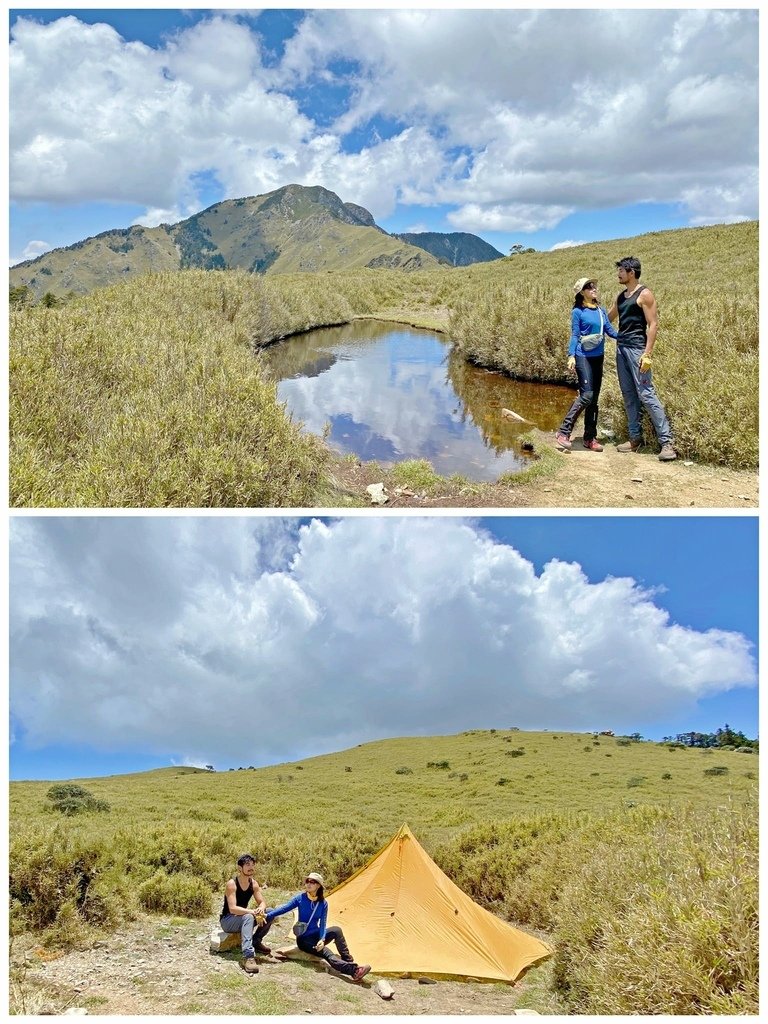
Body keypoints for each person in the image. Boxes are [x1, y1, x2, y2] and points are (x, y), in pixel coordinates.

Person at [607, 256, 677, 461]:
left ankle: (667, 443)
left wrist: (647, 353)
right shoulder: (620, 297)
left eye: (621, 270)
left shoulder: (644, 294)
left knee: (646, 394)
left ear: (632, 272)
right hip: (621, 350)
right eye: (618, 270)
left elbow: (653, 324)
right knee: (629, 395)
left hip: (638, 350)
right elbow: (608, 318)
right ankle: (634, 439)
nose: (618, 273)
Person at [266, 872, 371, 982]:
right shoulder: (300, 898)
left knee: (336, 930)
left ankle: (348, 961)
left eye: (312, 882)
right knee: (326, 953)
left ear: (318, 886)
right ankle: (354, 972)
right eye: (307, 881)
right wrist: (267, 915)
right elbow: (284, 909)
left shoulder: (323, 903)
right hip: (304, 939)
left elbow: (323, 924)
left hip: (316, 935)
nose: (308, 884)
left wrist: (322, 939)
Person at [555, 277, 618, 452]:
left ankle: (589, 438)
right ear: (582, 292)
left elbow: (609, 331)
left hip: (598, 357)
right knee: (587, 395)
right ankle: (563, 432)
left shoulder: (601, 311)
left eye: (594, 286)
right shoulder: (577, 312)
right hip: (583, 356)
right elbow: (575, 335)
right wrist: (571, 356)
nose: (594, 289)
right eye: (589, 287)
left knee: (594, 400)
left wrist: (625, 337)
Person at [220, 853, 273, 974]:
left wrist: (260, 909)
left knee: (270, 912)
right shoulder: (232, 884)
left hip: (243, 918)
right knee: (248, 916)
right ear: (240, 868)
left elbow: (262, 902)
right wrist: (253, 912)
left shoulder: (253, 883)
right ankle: (248, 956)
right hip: (228, 920)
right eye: (247, 865)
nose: (251, 867)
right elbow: (232, 908)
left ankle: (256, 941)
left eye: (253, 865)